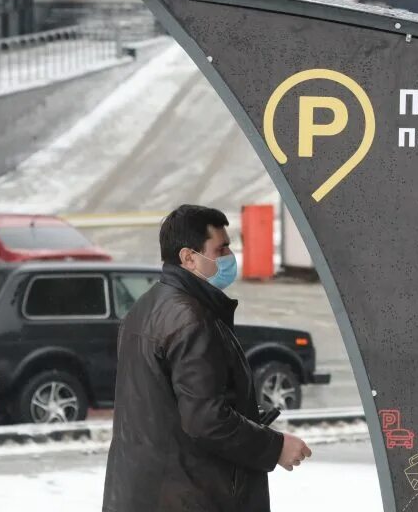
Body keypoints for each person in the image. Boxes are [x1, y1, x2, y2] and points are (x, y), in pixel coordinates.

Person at [103, 205, 311, 511]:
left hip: (143, 491)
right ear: (189, 257)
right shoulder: (192, 320)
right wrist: (275, 447)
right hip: (190, 495)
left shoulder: (145, 307)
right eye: (221, 248)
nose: (229, 256)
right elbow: (206, 420)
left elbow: (170, 408)